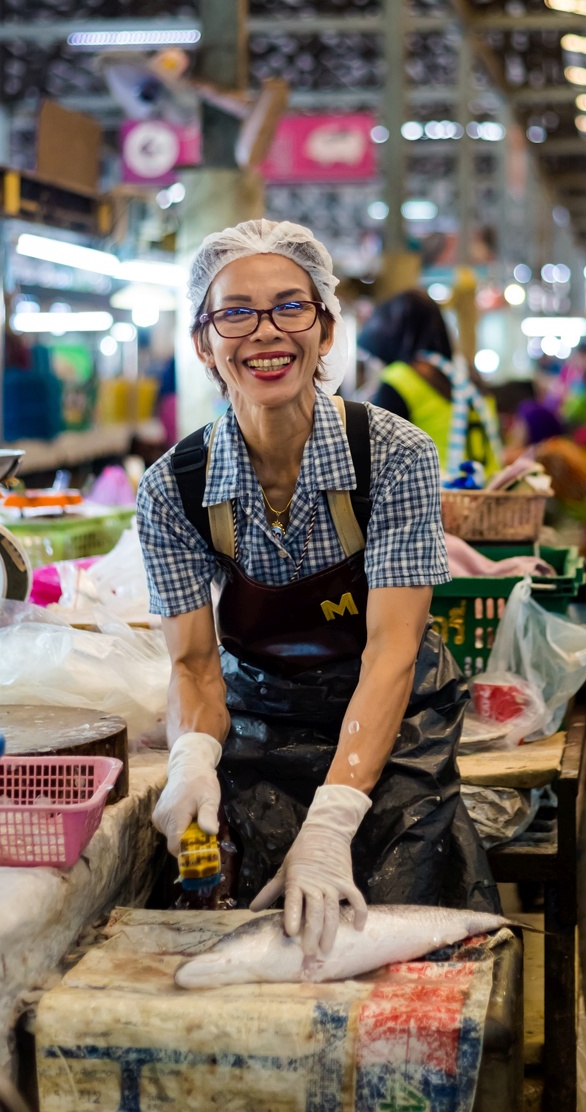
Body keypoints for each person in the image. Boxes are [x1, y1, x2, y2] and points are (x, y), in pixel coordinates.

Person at [136, 219, 498, 959]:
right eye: (235, 311)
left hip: (393, 726)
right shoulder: (174, 488)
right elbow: (195, 666)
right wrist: (192, 760)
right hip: (263, 716)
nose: (265, 332)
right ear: (205, 343)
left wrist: (333, 819)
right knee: (247, 918)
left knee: (397, 924)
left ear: (326, 328)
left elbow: (392, 653)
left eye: (290, 307)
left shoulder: (394, 457)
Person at [356, 289, 502, 481]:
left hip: (439, 500)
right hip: (490, 499)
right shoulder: (469, 376)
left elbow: (375, 459)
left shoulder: (401, 379)